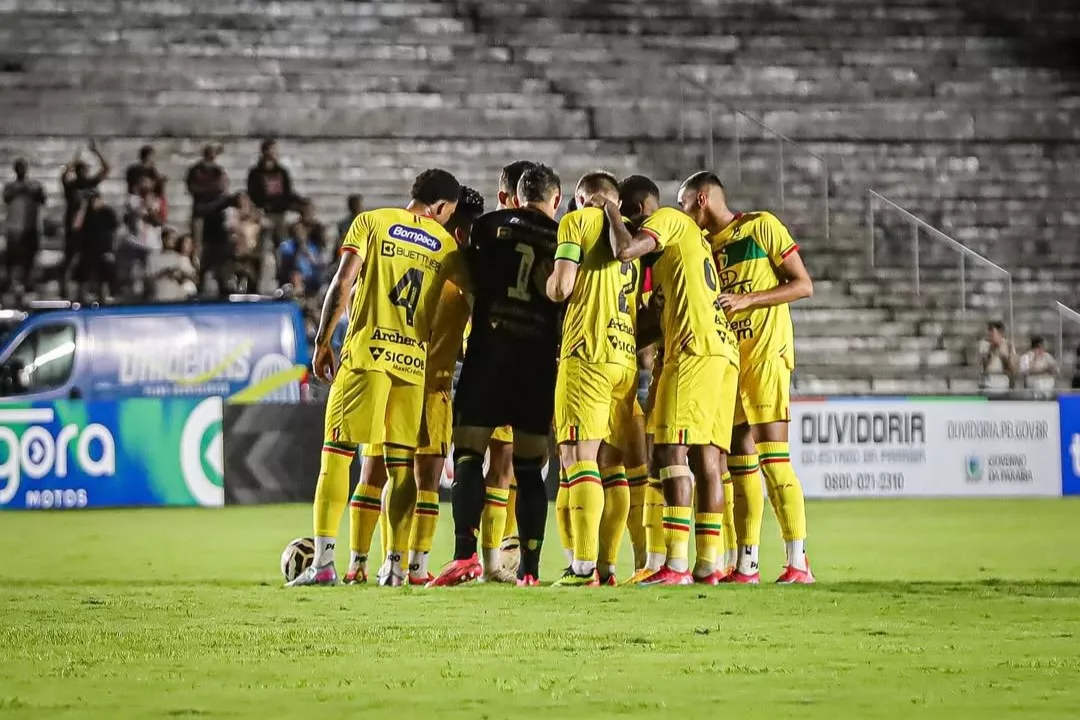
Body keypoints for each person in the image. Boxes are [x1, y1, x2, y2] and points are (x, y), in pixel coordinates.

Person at [286, 168, 465, 587]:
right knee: (401, 469)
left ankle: (325, 564)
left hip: (367, 357)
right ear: (441, 207)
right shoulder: (446, 245)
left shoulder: (373, 221)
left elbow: (343, 280)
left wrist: (323, 341)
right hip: (412, 367)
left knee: (337, 457)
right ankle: (395, 566)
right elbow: (460, 306)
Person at [603, 175, 742, 586]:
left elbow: (625, 249)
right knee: (707, 460)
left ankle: (676, 565)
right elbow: (649, 326)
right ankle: (708, 564)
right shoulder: (681, 255)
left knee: (669, 451)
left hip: (694, 350)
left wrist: (608, 208)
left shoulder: (667, 219)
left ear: (638, 210)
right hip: (722, 352)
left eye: (627, 213)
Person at [430, 164, 562, 588]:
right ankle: (531, 570)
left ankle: (464, 555)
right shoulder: (565, 238)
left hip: (490, 350)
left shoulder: (489, 226)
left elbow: (467, 266)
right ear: (555, 200)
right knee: (527, 470)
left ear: (515, 196)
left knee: (468, 454)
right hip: (536, 361)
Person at [345, 187, 485, 587]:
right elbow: (464, 345)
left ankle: (359, 562)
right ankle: (411, 565)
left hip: (390, 373)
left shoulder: (416, 259)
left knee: (374, 472)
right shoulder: (460, 274)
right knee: (420, 480)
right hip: (429, 386)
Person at [683, 170, 815, 584]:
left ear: (702, 199)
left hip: (765, 357)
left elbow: (803, 284)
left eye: (685, 203)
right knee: (740, 469)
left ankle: (798, 562)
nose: (683, 213)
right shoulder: (704, 247)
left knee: (774, 462)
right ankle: (748, 564)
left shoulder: (761, 226)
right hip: (729, 366)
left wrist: (749, 298)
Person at [544, 170, 641, 587]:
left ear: (584, 198)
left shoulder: (578, 222)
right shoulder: (634, 238)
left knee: (576, 461)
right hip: (624, 357)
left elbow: (562, 287)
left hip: (587, 353)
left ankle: (581, 568)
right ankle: (607, 566)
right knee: (610, 465)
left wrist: (547, 284)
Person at [61, 140, 110, 286]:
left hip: (91, 227)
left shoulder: (91, 183)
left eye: (86, 170)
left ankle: (87, 286)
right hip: (75, 227)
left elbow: (106, 169)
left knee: (90, 259)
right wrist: (75, 159)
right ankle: (65, 285)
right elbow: (63, 175)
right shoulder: (71, 186)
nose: (86, 172)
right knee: (71, 257)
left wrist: (97, 152)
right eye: (82, 170)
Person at [3, 159, 46, 294]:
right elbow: (7, 197)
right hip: (15, 228)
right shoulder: (10, 186)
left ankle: (28, 284)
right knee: (13, 259)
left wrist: (31, 189)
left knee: (30, 258)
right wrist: (22, 189)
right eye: (19, 168)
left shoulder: (34, 185)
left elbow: (42, 198)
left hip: (30, 227)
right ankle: (11, 284)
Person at [247, 138, 297, 246]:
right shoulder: (255, 173)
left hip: (280, 213)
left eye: (275, 150)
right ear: (265, 151)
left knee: (283, 244)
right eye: (272, 150)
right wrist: (261, 207)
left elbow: (287, 192)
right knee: (264, 244)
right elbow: (252, 192)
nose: (275, 153)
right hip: (264, 213)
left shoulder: (282, 172)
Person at [71, 189, 117, 302]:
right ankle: (81, 301)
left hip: (103, 249)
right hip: (86, 250)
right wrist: (84, 206)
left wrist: (111, 250)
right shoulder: (85, 213)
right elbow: (76, 226)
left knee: (103, 280)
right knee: (83, 279)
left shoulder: (107, 212)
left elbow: (114, 230)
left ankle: (104, 300)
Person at [149, 231, 198, 301]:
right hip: (160, 296)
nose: (173, 241)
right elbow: (150, 277)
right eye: (170, 239)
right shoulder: (154, 257)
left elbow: (192, 277)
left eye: (174, 239)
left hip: (177, 298)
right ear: (164, 239)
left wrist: (183, 275)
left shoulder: (180, 258)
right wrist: (165, 272)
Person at [978, 321, 1018, 391]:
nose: (990, 334)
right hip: (988, 385)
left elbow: (1012, 369)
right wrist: (993, 350)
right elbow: (984, 366)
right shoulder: (984, 345)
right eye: (989, 331)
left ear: (1000, 333)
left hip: (1003, 386)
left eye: (992, 332)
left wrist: (1004, 357)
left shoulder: (1008, 345)